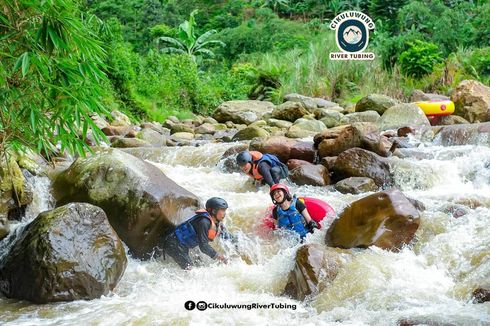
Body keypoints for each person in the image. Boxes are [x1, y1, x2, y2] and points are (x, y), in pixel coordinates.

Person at [160, 197, 232, 269]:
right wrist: (219, 257)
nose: (224, 213)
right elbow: (203, 246)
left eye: (225, 210)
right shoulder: (204, 222)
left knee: (200, 266)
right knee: (191, 271)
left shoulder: (216, 222)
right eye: (222, 210)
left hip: (183, 246)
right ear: (214, 211)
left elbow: (224, 234)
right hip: (174, 245)